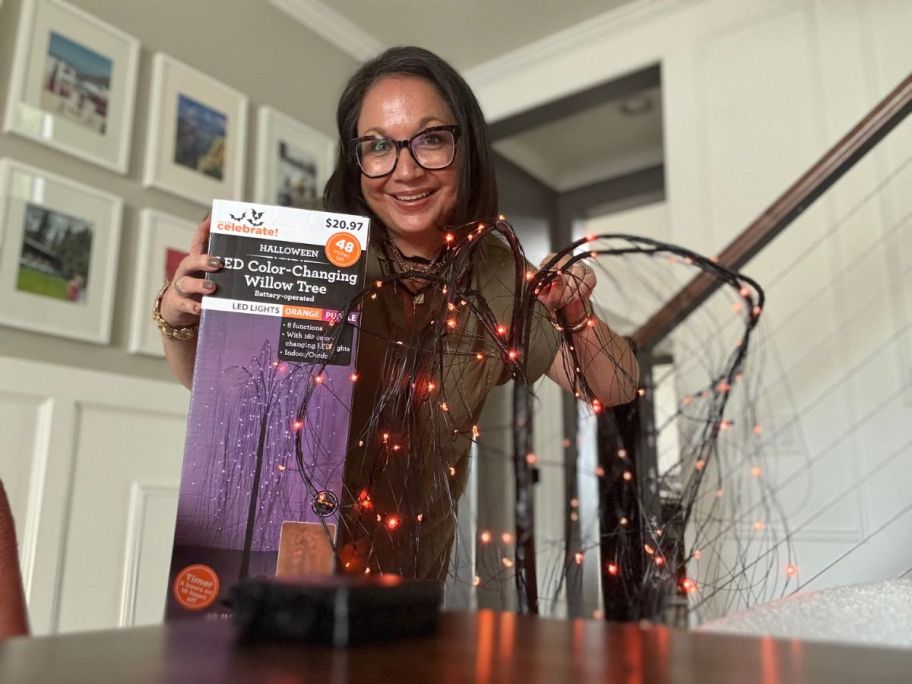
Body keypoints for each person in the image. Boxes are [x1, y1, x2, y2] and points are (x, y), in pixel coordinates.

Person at [154, 47, 639, 580]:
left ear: (466, 147)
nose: (404, 171)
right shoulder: (312, 247)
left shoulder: (501, 274)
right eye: (379, 145)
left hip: (404, 582)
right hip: (273, 563)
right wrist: (181, 315)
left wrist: (572, 311)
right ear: (356, 157)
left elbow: (612, 387)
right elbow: (219, 390)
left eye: (431, 139)